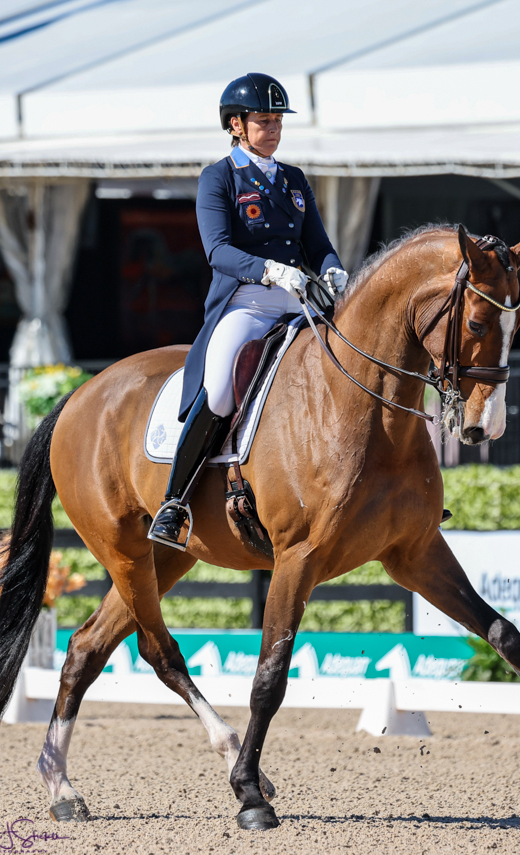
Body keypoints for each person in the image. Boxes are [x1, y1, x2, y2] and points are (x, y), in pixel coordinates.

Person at [148, 73, 346, 549]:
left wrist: (334, 270)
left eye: (277, 120)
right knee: (218, 392)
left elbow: (316, 245)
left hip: (301, 304)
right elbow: (217, 250)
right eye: (263, 120)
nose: (273, 128)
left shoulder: (294, 180)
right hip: (248, 303)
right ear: (235, 124)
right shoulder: (219, 178)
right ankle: (174, 503)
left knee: (356, 366)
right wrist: (272, 271)